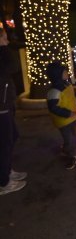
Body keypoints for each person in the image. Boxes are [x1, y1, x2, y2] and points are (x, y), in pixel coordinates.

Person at [0, 27, 27, 195]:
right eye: (4, 38)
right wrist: (2, 47)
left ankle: (7, 171)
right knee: (5, 142)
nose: (8, 41)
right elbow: (13, 65)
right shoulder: (2, 54)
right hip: (1, 106)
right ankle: (4, 182)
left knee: (12, 137)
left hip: (5, 103)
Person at [46, 61, 76, 170]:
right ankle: (72, 156)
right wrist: (68, 113)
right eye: (64, 71)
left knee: (71, 137)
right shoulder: (54, 91)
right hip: (64, 121)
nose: (67, 73)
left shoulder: (67, 83)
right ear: (57, 74)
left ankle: (66, 149)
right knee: (69, 139)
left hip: (72, 117)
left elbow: (71, 96)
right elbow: (53, 108)